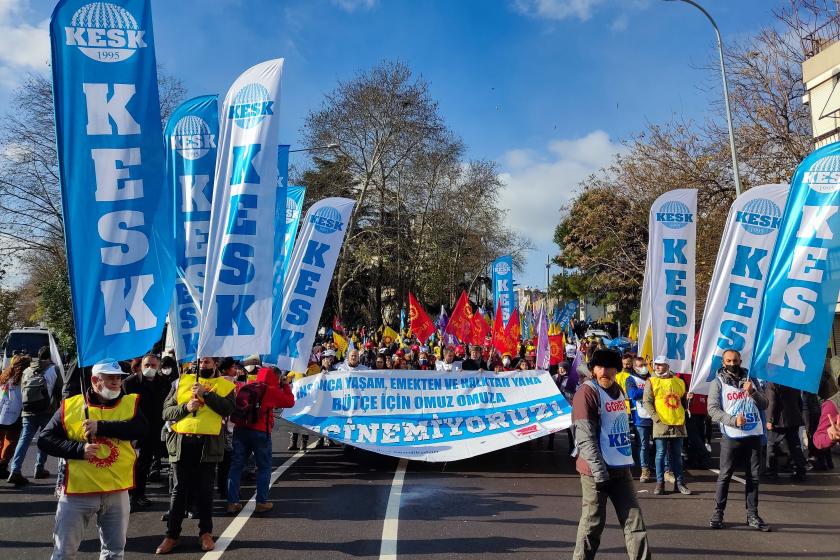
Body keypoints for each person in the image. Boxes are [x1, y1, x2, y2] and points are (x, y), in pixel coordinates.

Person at [37, 359, 148, 559]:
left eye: (118, 378)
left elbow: (141, 429)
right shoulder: (71, 406)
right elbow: (45, 440)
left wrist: (103, 426)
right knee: (64, 552)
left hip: (116, 491)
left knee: (114, 552)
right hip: (78, 492)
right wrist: (79, 449)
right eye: (110, 379)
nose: (116, 383)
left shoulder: (130, 403)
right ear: (95, 380)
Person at [571, 349, 650, 560]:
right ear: (593, 369)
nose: (604, 371)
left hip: (620, 468)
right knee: (592, 524)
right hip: (596, 471)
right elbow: (585, 437)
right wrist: (599, 472)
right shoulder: (586, 393)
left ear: (617, 369)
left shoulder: (618, 389)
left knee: (635, 522)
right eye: (599, 367)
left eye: (609, 367)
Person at [156, 357, 236, 554]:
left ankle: (205, 533)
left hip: (208, 445)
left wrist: (206, 394)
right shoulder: (180, 382)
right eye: (200, 362)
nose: (202, 366)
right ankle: (172, 535)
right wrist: (186, 408)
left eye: (207, 362)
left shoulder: (226, 385)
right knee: (179, 490)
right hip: (182, 444)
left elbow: (228, 409)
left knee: (205, 491)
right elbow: (166, 412)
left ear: (215, 364)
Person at [706, 349, 770, 532]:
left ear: (740, 360)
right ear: (723, 361)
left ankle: (752, 514)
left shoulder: (751, 379)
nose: (732, 364)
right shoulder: (717, 383)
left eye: (735, 360)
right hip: (731, 436)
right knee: (725, 475)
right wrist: (733, 420)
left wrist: (753, 393)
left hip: (753, 435)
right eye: (728, 360)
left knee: (754, 476)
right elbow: (712, 410)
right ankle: (718, 513)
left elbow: (765, 404)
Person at [227, 366, 295, 515]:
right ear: (274, 377)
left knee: (236, 466)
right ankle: (261, 502)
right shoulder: (271, 390)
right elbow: (290, 402)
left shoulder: (248, 386)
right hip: (260, 432)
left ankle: (233, 502)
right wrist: (284, 385)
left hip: (240, 430)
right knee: (263, 467)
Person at [123, 353, 169, 509]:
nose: (150, 368)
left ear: (159, 367)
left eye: (153, 365)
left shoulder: (163, 382)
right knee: (136, 463)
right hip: (135, 429)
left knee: (146, 463)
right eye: (147, 365)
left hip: (156, 428)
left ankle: (138, 494)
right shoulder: (130, 383)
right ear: (140, 366)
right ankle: (133, 496)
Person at [8, 345, 59, 485]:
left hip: (27, 411)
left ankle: (15, 469)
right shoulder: (54, 369)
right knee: (44, 439)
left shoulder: (27, 370)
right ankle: (39, 468)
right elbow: (60, 391)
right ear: (51, 356)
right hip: (46, 411)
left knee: (24, 440)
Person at [643, 356, 691, 496]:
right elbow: (647, 402)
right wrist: (656, 418)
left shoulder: (679, 382)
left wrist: (689, 399)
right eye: (656, 365)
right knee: (660, 454)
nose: (657, 367)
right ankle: (660, 484)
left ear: (667, 366)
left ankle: (679, 483)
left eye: (660, 365)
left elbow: (683, 400)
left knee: (677, 456)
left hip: (678, 422)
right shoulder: (651, 381)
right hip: (661, 423)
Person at [765, 381, 807, 481]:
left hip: (778, 420)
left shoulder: (772, 382)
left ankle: (771, 471)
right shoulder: (793, 382)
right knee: (795, 446)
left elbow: (772, 401)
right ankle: (801, 471)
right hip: (793, 418)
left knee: (772, 446)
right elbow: (799, 401)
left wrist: (769, 420)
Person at [0, 354, 29, 478]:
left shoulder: (4, 376)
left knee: (1, 441)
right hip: (14, 414)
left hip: (1, 411)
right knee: (11, 442)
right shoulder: (23, 378)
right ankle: (2, 465)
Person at [625, 356, 653, 483]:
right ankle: (645, 469)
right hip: (640, 418)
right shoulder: (631, 379)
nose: (644, 367)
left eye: (645, 364)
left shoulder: (652, 377)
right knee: (643, 445)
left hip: (656, 415)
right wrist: (649, 389)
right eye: (641, 365)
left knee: (661, 445)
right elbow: (633, 395)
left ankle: (665, 470)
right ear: (635, 367)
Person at [677, 371, 712, 469]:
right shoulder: (698, 371)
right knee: (697, 435)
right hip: (695, 407)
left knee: (695, 436)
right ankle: (695, 459)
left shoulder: (684, 373)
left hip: (695, 408)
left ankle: (702, 456)